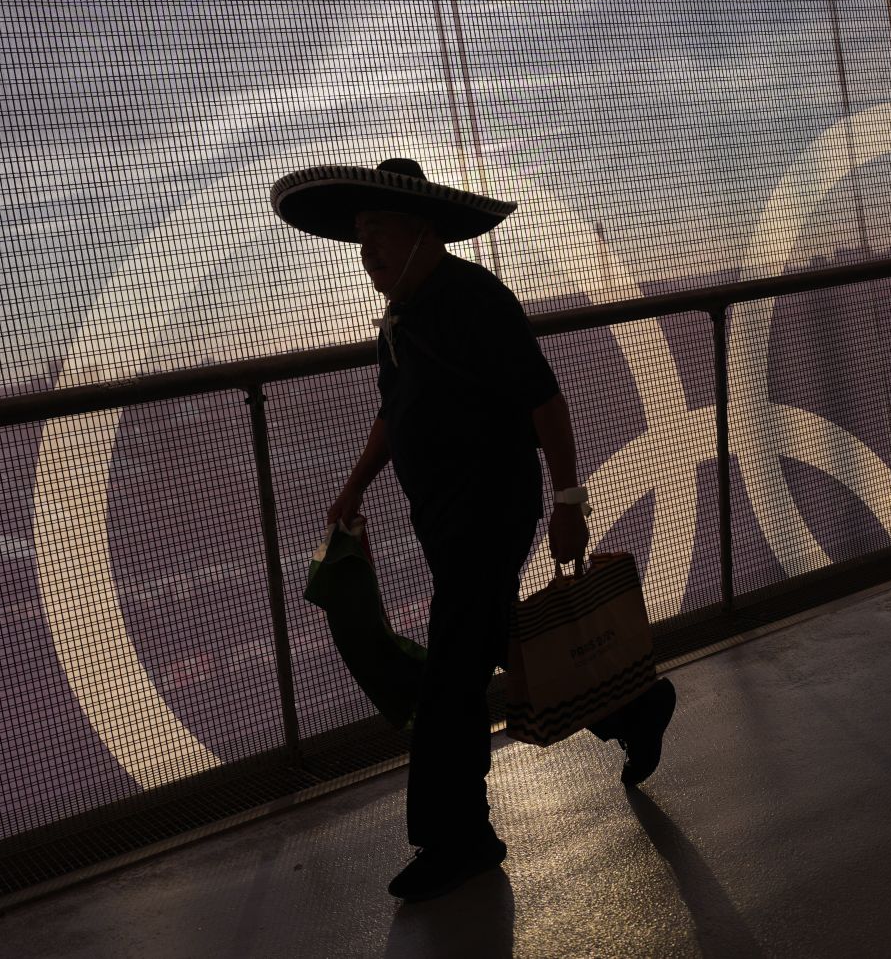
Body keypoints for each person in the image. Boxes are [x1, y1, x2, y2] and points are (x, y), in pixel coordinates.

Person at [271, 157, 677, 903]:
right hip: (444, 517)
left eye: (380, 232)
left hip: (493, 507)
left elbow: (545, 402)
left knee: (452, 676)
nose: (368, 251)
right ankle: (633, 708)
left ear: (424, 231)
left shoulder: (475, 300)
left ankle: (457, 836)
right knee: (492, 638)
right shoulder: (402, 317)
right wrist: (354, 484)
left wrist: (568, 502)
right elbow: (395, 416)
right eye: (360, 237)